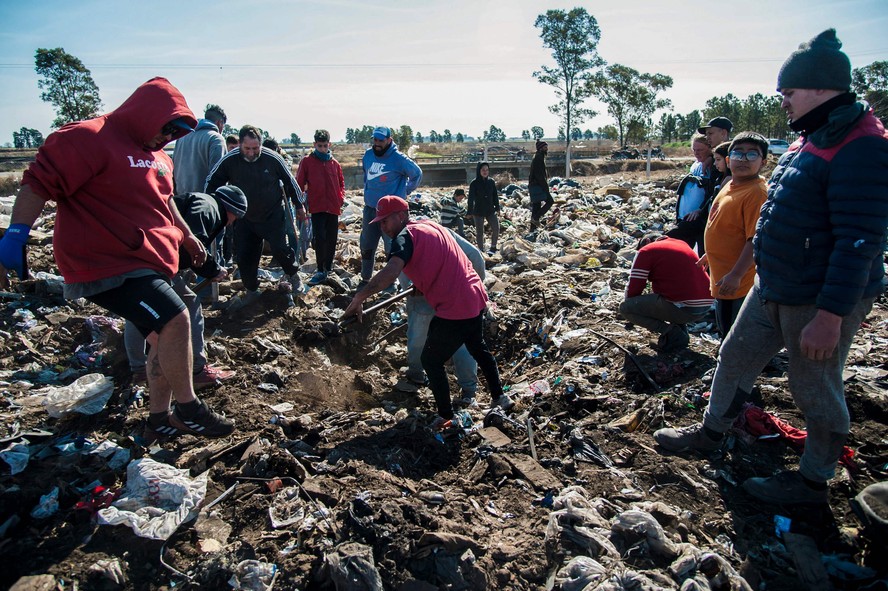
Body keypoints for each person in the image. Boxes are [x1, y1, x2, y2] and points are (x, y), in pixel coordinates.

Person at [653, 29, 888, 506]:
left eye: (789, 92)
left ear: (823, 87)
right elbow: (779, 212)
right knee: (733, 357)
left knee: (815, 387)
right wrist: (747, 268)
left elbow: (859, 241)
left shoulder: (862, 145)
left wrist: (830, 316)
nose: (782, 100)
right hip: (773, 285)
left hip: (817, 295)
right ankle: (710, 433)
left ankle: (811, 483)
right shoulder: (811, 136)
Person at [0, 77, 234, 441]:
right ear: (146, 114)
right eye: (166, 128)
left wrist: (186, 236)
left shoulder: (158, 157)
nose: (167, 137)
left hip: (149, 261)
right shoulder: (89, 137)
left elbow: (166, 200)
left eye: (175, 133)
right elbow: (37, 182)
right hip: (105, 262)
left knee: (162, 338)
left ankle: (159, 419)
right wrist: (17, 233)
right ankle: (190, 409)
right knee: (176, 318)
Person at [343, 196, 513, 428]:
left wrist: (360, 296)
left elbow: (391, 272)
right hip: (475, 297)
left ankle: (446, 416)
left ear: (401, 216)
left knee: (430, 360)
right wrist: (421, 287)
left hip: (455, 305)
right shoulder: (430, 226)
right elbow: (444, 260)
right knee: (478, 349)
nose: (382, 227)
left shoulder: (404, 238)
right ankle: (500, 397)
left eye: (386, 221)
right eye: (379, 222)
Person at [125, 187, 246, 387]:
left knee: (137, 309)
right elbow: (193, 242)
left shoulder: (200, 201)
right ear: (232, 210)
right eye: (235, 217)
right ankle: (197, 369)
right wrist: (213, 270)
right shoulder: (208, 207)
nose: (232, 222)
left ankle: (138, 369)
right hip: (157, 259)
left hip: (142, 252)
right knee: (190, 303)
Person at [205, 125, 306, 310]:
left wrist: (299, 205)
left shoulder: (272, 158)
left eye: (255, 148)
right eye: (247, 149)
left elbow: (290, 181)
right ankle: (252, 290)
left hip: (272, 214)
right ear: (240, 145)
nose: (251, 153)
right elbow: (211, 182)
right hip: (244, 218)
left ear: (260, 144)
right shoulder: (230, 160)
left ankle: (293, 275)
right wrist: (212, 206)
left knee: (280, 248)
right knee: (244, 256)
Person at [697, 132, 769, 338]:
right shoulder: (731, 185)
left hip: (738, 282)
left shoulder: (756, 193)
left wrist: (736, 275)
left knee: (736, 334)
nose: (743, 160)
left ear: (763, 162)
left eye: (752, 155)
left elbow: (755, 239)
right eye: (738, 154)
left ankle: (733, 368)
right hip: (723, 274)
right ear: (729, 160)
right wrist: (710, 254)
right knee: (725, 325)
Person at [404, 228, 485, 405]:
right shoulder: (442, 232)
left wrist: (411, 288)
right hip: (455, 295)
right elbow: (476, 256)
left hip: (427, 294)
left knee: (418, 331)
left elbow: (402, 276)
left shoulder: (403, 239)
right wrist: (477, 284)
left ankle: (416, 373)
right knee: (462, 342)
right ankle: (469, 391)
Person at [619, 233, 714, 354]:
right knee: (666, 299)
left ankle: (671, 332)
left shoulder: (646, 250)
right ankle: (680, 333)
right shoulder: (681, 243)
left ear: (647, 241)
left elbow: (635, 286)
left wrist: (633, 308)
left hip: (686, 307)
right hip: (705, 305)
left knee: (625, 308)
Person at [359, 126, 422, 289]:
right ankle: (365, 278)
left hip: (391, 213)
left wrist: (405, 191)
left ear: (389, 140)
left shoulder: (398, 159)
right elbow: (366, 176)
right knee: (367, 244)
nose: (378, 143)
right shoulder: (368, 156)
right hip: (371, 209)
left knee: (392, 246)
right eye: (375, 140)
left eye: (381, 140)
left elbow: (417, 174)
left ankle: (391, 284)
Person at [296, 129, 345, 285]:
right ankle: (320, 269)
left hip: (333, 207)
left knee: (332, 238)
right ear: (314, 144)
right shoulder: (307, 161)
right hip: (317, 207)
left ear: (329, 144)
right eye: (320, 146)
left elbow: (341, 183)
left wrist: (341, 198)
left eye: (325, 146)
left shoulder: (334, 164)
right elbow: (299, 182)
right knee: (319, 239)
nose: (323, 149)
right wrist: (299, 203)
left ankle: (328, 268)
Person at [665, 133, 715, 254]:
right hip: (685, 216)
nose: (696, 153)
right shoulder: (695, 165)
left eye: (700, 150)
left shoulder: (713, 166)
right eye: (694, 150)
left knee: (702, 255)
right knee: (680, 254)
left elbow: (713, 192)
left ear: (710, 149)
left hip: (699, 219)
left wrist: (700, 210)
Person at [172, 103, 227, 194]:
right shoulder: (216, 139)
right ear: (219, 123)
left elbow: (173, 168)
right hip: (202, 201)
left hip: (179, 199)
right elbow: (218, 177)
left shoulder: (182, 137)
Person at [468, 162, 500, 253]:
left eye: (487, 170)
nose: (485, 172)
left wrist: (497, 207)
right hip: (478, 210)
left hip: (490, 209)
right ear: (479, 171)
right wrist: (469, 212)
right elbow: (471, 199)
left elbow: (495, 196)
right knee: (480, 232)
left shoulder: (491, 182)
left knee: (496, 228)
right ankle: (481, 250)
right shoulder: (474, 183)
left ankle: (493, 248)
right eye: (483, 170)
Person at [528, 140, 553, 236]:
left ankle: (532, 229)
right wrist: (545, 188)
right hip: (537, 185)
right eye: (545, 147)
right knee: (550, 201)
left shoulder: (538, 156)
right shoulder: (539, 158)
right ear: (541, 148)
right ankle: (536, 218)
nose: (547, 149)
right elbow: (539, 175)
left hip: (535, 185)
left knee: (536, 206)